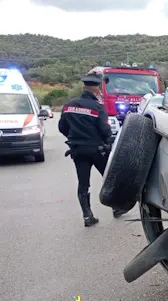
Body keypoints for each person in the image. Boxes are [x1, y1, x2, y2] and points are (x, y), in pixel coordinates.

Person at [58, 71, 128, 227]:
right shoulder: (98, 107)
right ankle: (116, 208)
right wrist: (107, 142)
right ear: (97, 89)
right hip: (98, 150)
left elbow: (62, 127)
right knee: (109, 179)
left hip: (78, 150)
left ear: (83, 87)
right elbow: (105, 130)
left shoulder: (69, 105)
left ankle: (87, 215)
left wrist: (73, 137)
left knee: (83, 183)